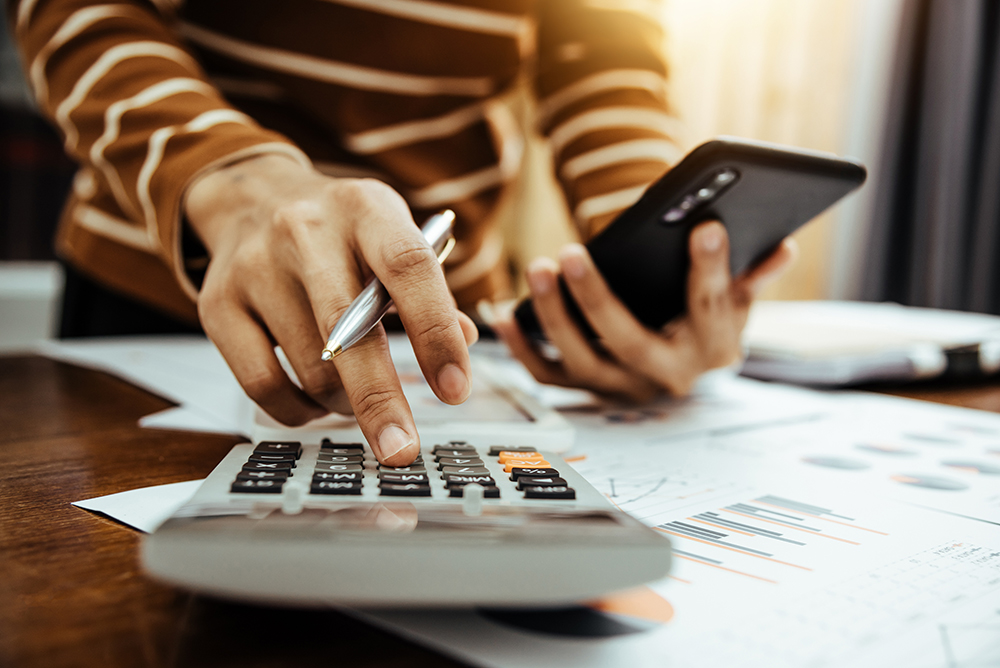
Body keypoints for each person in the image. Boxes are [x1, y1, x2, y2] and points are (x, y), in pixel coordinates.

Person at [11, 0, 795, 466]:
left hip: (444, 317)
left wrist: (653, 256)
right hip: (164, 283)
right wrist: (228, 176)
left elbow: (603, 54)